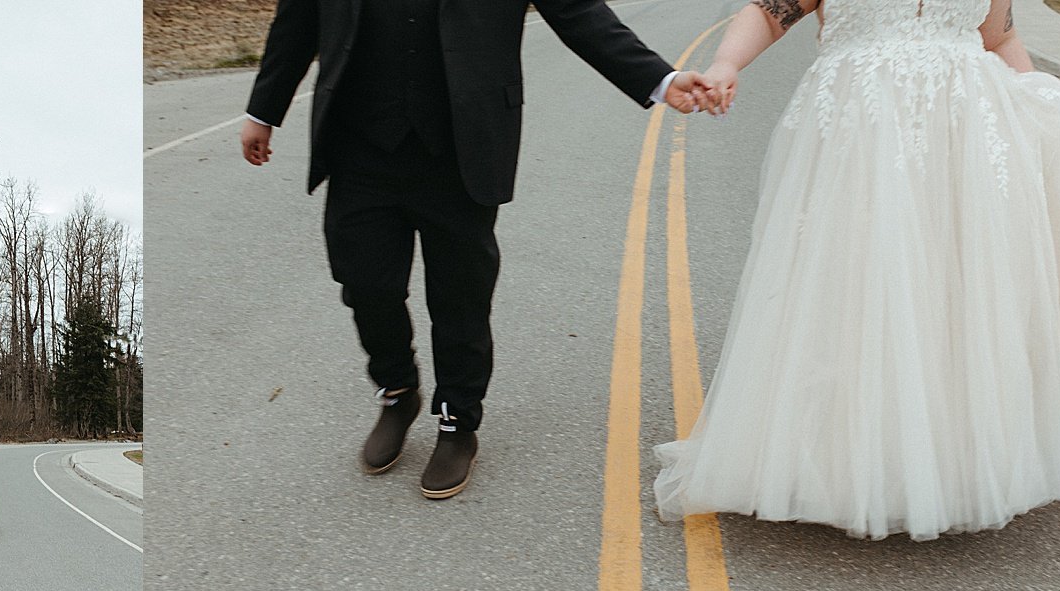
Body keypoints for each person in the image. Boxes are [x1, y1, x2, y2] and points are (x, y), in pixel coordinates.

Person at [654, 0, 1060, 540]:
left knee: (954, 291)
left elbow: (1000, 39)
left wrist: (1040, 108)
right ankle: (842, 460)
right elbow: (772, 10)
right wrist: (728, 64)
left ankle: (956, 461)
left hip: (967, 136)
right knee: (856, 285)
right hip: (861, 131)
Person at [241, 0, 711, 499]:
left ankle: (457, 421)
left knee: (460, 294)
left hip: (460, 143)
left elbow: (578, 13)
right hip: (358, 142)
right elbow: (295, 23)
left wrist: (660, 79)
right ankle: (397, 390)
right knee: (365, 283)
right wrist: (262, 111)